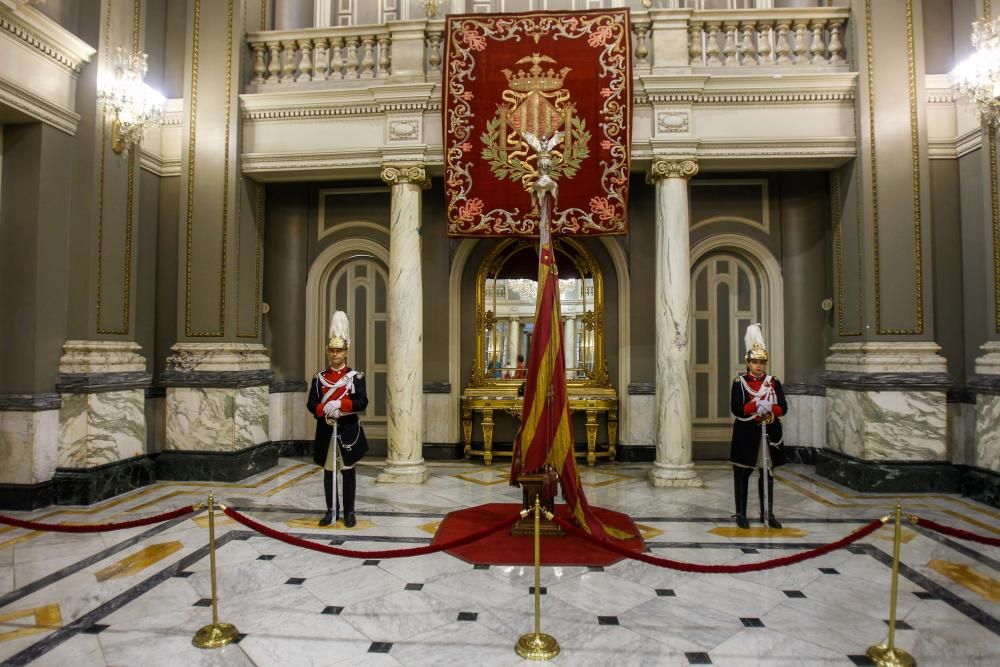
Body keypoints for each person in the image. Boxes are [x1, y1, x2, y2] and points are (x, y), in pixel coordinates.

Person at [307, 311, 369, 528]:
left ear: (346, 352)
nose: (335, 355)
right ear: (327, 352)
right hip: (326, 430)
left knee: (348, 472)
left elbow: (362, 402)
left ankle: (350, 512)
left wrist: (341, 405)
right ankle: (331, 510)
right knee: (329, 473)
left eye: (339, 351)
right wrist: (325, 409)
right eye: (332, 350)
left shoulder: (356, 377)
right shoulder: (318, 378)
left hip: (347, 430)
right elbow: (311, 404)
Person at [729, 323, 787, 530]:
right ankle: (741, 514)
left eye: (762, 362)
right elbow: (737, 408)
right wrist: (755, 406)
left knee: (768, 475)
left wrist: (770, 411)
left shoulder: (774, 382)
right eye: (755, 362)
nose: (759, 366)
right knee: (742, 474)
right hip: (747, 433)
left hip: (769, 432)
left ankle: (768, 513)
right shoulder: (739, 382)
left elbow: (783, 407)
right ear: (748, 362)